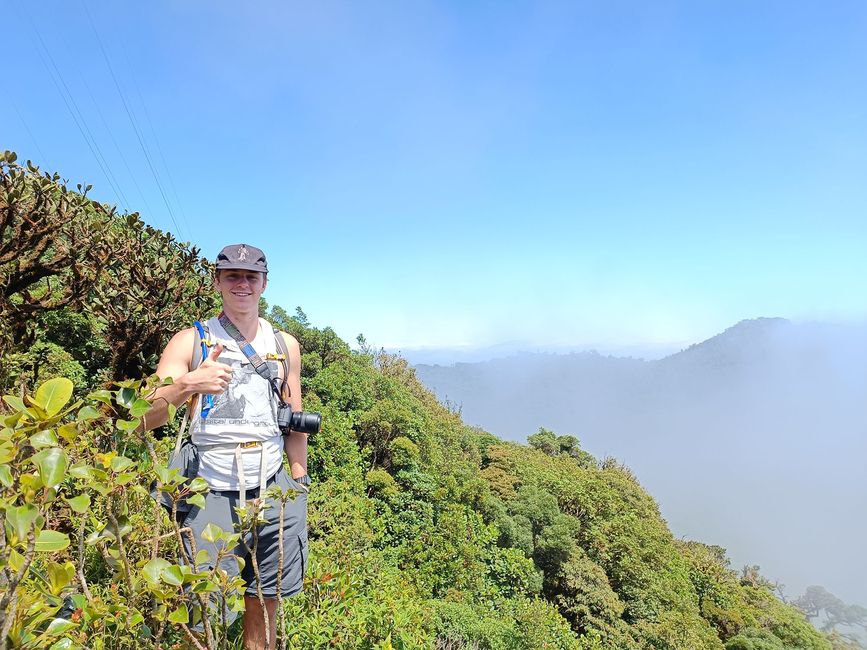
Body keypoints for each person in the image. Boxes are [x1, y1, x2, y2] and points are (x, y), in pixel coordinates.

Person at [142, 243, 309, 650]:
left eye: (251, 276)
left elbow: (295, 416)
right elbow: (143, 419)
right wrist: (187, 385)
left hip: (272, 484)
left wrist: (299, 482)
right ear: (216, 281)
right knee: (204, 601)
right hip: (208, 488)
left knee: (266, 594)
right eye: (232, 275)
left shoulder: (285, 345)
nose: (242, 284)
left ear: (264, 284)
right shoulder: (190, 340)